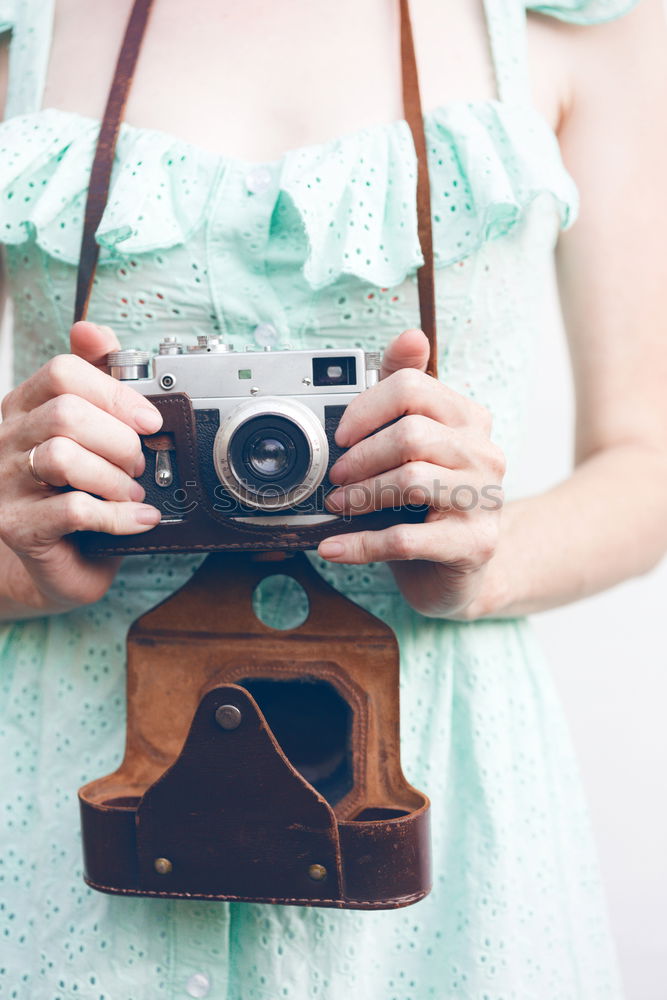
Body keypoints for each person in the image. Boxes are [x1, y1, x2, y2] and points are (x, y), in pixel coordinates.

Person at [0, 0, 665, 997]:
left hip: (431, 763)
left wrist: (481, 558)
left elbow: (646, 458)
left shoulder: (576, 22)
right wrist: (15, 550)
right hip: (79, 754)